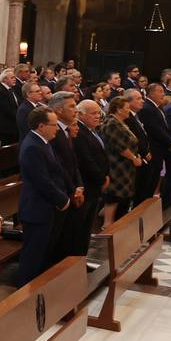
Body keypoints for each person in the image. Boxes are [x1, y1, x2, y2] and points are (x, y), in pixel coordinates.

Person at [16, 108, 71, 286]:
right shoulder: (32, 146)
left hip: (45, 207)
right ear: (41, 126)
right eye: (54, 125)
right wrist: (62, 200)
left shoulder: (43, 142)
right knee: (33, 256)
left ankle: (38, 289)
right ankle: (24, 293)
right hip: (36, 209)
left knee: (42, 253)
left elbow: (56, 171)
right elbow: (42, 180)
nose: (57, 128)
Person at [45, 92, 87, 261]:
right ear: (58, 110)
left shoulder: (65, 131)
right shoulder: (54, 133)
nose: (76, 110)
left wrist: (79, 186)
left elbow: (73, 164)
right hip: (61, 196)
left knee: (70, 238)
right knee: (57, 245)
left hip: (71, 191)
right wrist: (73, 191)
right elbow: (59, 167)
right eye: (71, 106)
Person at [100, 95, 142, 226]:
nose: (129, 111)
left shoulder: (120, 122)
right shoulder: (112, 123)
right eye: (127, 108)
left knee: (122, 200)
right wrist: (134, 158)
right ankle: (108, 227)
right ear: (118, 109)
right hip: (116, 167)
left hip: (125, 168)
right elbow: (119, 146)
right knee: (114, 198)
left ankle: (117, 228)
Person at [73, 99, 109, 249]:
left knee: (86, 226)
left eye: (98, 113)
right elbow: (86, 160)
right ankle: (77, 260)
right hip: (87, 185)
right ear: (81, 115)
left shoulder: (91, 130)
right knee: (80, 228)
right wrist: (101, 178)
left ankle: (82, 257)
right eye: (93, 113)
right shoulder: (80, 132)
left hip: (94, 185)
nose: (98, 116)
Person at [138, 84, 171, 205]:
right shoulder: (147, 108)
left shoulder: (157, 107)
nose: (163, 94)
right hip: (153, 149)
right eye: (160, 91)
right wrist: (170, 142)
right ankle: (142, 209)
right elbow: (154, 129)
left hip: (159, 150)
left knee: (153, 181)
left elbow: (164, 127)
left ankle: (147, 207)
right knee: (147, 184)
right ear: (151, 93)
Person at [0, 68, 21, 143]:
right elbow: (7, 111)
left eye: (14, 77)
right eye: (12, 78)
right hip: (5, 129)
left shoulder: (12, 90)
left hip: (13, 127)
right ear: (4, 79)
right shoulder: (0, 92)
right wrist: (20, 116)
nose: (14, 79)